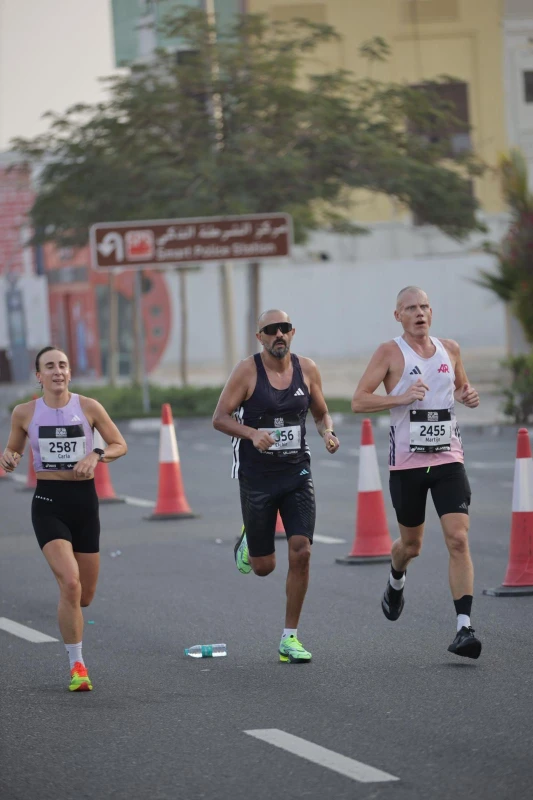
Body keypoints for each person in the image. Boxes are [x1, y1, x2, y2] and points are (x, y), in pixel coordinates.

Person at [351, 286, 482, 659]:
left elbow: (459, 386)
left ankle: (463, 627)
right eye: (411, 308)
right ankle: (396, 577)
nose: (420, 313)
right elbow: (359, 400)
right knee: (412, 546)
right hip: (407, 464)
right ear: (398, 316)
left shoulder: (449, 348)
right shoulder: (389, 352)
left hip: (447, 459)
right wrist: (400, 397)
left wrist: (467, 395)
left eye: (424, 306)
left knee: (458, 538)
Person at [213, 309, 340, 663]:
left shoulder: (308, 369)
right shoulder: (246, 371)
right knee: (264, 566)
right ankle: (249, 541)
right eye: (271, 330)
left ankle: (290, 638)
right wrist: (252, 433)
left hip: (297, 473)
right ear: (261, 337)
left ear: (292, 332)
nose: (278, 334)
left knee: (302, 550)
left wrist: (327, 432)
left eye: (284, 328)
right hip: (257, 477)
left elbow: (320, 412)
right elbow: (219, 418)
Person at [0, 346, 127, 690]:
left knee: (84, 596)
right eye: (50, 366)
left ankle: (71, 611)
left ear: (69, 373)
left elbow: (119, 444)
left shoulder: (88, 407)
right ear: (39, 376)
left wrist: (97, 453)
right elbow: (13, 450)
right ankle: (77, 666)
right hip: (48, 503)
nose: (58, 371)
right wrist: (9, 458)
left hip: (85, 505)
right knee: (70, 583)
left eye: (63, 365)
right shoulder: (25, 412)